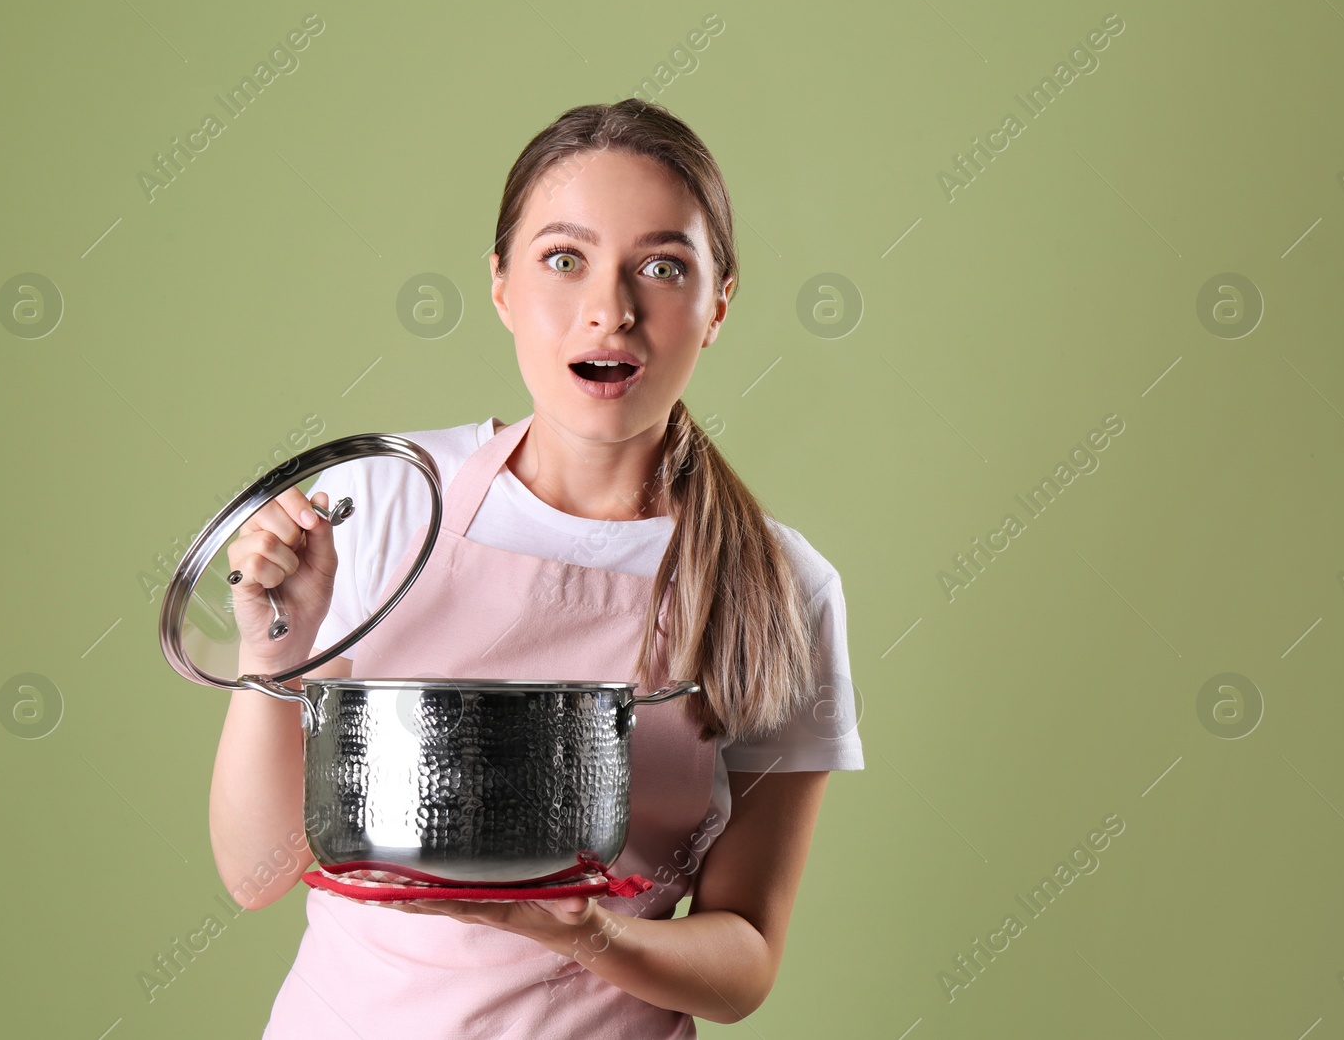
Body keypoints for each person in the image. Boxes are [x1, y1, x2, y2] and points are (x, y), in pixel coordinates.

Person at [212, 98, 864, 1039]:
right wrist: (279, 641)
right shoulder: (381, 501)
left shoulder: (781, 589)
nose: (612, 307)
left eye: (663, 266)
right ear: (501, 285)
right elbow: (255, 871)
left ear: (718, 303)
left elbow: (743, 964)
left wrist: (587, 934)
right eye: (565, 258)